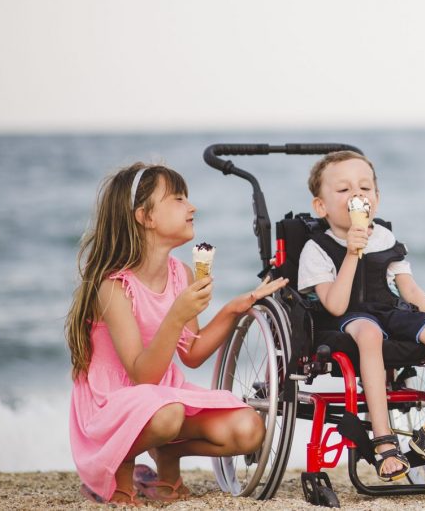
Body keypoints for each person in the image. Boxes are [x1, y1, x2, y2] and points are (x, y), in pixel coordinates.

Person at [66, 163, 289, 504]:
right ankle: (119, 468)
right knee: (167, 414)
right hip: (111, 401)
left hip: (164, 397)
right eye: (178, 199)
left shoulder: (180, 274)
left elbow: (193, 355)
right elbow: (142, 375)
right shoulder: (113, 287)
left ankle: (168, 456)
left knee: (249, 430)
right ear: (145, 217)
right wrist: (176, 315)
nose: (192, 207)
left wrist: (232, 308)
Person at [297, 151, 425, 481]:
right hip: (347, 319)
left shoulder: (385, 238)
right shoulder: (316, 248)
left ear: (376, 198)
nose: (357, 195)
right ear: (321, 207)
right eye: (344, 190)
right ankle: (383, 439)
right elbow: (335, 305)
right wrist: (351, 252)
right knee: (370, 333)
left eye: (365, 188)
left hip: (388, 310)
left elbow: (411, 292)